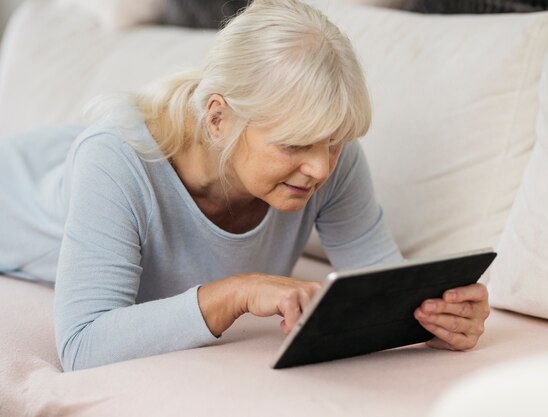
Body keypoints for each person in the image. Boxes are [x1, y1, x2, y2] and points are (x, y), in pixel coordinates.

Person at [0, 0, 489, 372]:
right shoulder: (114, 161)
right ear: (218, 118)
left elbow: (380, 285)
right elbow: (82, 345)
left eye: (335, 142)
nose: (320, 168)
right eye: (295, 144)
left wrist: (434, 317)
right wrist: (235, 292)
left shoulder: (331, 162)